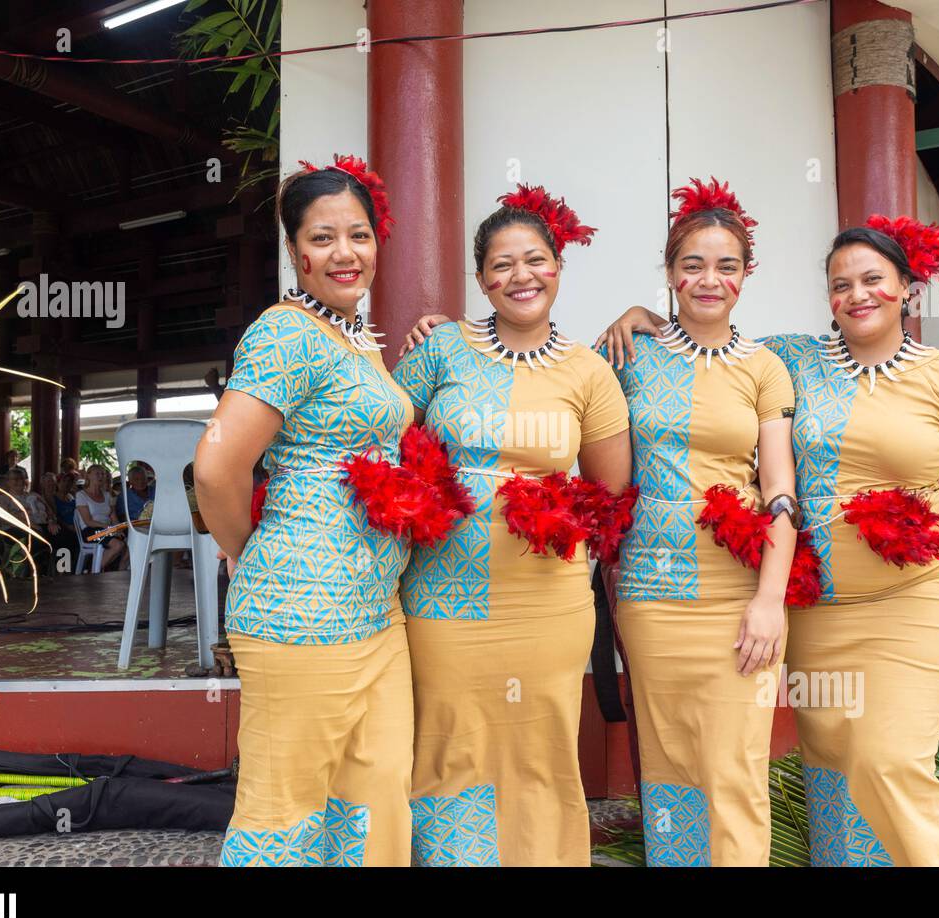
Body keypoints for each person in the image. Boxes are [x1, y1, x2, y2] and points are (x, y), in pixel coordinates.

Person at [598, 215, 939, 866]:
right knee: (832, 771)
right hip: (817, 612)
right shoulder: (790, 358)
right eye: (840, 283)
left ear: (907, 286)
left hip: (909, 606)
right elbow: (713, 343)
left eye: (874, 279)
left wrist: (908, 538)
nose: (858, 294)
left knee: (888, 762)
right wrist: (636, 314)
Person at [392, 184, 631, 866]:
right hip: (441, 595)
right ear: (481, 280)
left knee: (539, 743)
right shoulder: (440, 350)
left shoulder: (588, 372)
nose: (519, 275)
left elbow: (609, 492)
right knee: (449, 743)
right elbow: (384, 436)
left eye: (534, 259)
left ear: (558, 266)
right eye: (501, 264)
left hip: (545, 599)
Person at [195, 154, 415, 867]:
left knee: (373, 795)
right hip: (301, 611)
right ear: (295, 251)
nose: (344, 253)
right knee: (285, 810)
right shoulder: (284, 333)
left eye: (359, 235)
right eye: (322, 238)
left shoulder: (354, 336)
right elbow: (217, 466)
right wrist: (248, 547)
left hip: (376, 610)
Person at [604, 180, 795, 866]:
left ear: (746, 275)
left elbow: (780, 493)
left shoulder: (765, 368)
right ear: (669, 272)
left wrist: (770, 601)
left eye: (726, 266)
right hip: (651, 596)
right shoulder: (627, 354)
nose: (708, 280)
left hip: (738, 591)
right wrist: (441, 332)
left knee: (734, 767)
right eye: (692, 264)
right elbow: (551, 383)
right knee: (670, 767)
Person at [75, 464, 126, 571]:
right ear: (88, 476)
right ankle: (92, 571)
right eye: (97, 474)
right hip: (90, 532)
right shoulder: (81, 495)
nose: (101, 476)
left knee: (128, 542)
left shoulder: (107, 495)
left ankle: (109, 570)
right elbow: (88, 521)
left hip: (107, 530)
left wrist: (118, 528)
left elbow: (113, 516)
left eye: (102, 474)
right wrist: (108, 528)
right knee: (117, 545)